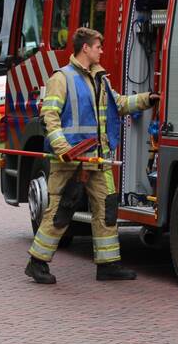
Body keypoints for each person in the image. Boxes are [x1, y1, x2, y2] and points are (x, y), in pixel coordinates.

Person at [25, 27, 159, 284]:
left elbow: (118, 105)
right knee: (60, 212)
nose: (101, 50)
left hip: (99, 159)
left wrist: (147, 99)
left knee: (106, 209)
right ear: (85, 48)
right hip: (70, 160)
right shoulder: (61, 78)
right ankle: (37, 262)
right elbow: (49, 116)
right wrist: (63, 149)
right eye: (98, 46)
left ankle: (108, 265)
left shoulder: (101, 79)